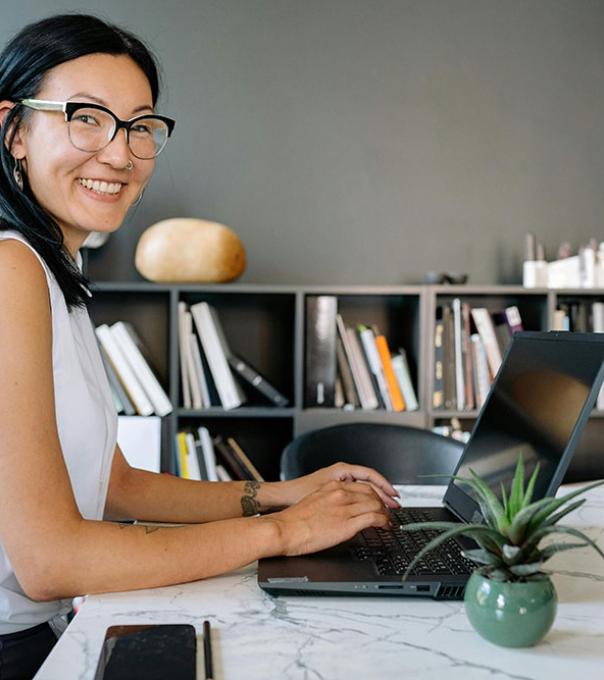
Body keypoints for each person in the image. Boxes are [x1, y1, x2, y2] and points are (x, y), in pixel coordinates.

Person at [0, 14, 398, 678]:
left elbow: (114, 483)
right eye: (86, 118)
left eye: (139, 125)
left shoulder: (52, 274)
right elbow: (51, 562)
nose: (120, 153)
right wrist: (287, 531)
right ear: (14, 131)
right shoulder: (10, 269)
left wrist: (279, 492)